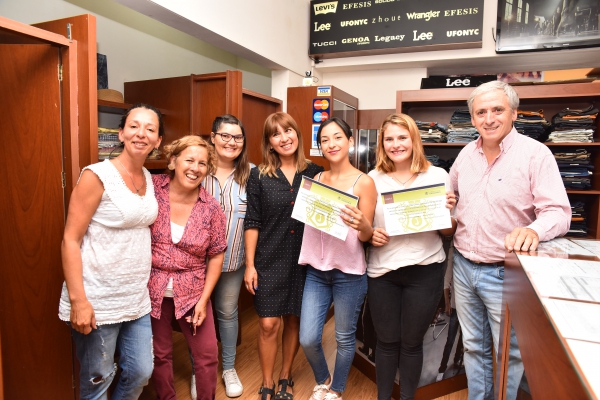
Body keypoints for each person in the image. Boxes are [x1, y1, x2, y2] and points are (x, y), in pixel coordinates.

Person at [449, 80, 571, 400]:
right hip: (462, 266)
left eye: (497, 110)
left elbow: (559, 212)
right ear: (472, 118)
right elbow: (451, 200)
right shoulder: (464, 155)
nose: (488, 119)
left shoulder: (536, 155)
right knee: (473, 346)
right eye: (480, 112)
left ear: (514, 113)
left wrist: (533, 230)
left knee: (510, 352)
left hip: (504, 272)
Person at [58, 103, 164, 399]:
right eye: (133, 126)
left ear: (158, 141)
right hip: (97, 298)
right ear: (121, 133)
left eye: (150, 129)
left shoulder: (149, 178)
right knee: (97, 380)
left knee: (141, 371)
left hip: (135, 297)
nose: (140, 133)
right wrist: (79, 300)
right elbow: (69, 239)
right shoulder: (97, 175)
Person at [367, 113, 457, 400]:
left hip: (425, 268)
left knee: (411, 342)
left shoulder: (437, 176)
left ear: (414, 139)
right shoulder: (372, 179)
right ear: (382, 144)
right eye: (389, 139)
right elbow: (364, 227)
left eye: (402, 137)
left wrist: (445, 212)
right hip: (383, 271)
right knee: (386, 341)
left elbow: (447, 232)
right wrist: (371, 234)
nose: (396, 144)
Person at [244, 112, 324, 400]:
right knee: (268, 323)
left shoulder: (316, 172)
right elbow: (252, 222)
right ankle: (266, 381)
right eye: (276, 134)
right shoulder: (258, 176)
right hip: (269, 259)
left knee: (294, 320)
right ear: (269, 143)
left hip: (305, 260)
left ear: (297, 134)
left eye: (288, 130)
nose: (284, 137)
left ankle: (285, 377)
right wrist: (250, 265)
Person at [298, 118, 377, 400]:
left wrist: (361, 224)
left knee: (344, 339)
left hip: (350, 272)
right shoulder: (316, 179)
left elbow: (367, 235)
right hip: (316, 270)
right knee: (307, 338)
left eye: (337, 137)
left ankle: (336, 389)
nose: (331, 144)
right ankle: (323, 379)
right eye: (325, 140)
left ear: (350, 141)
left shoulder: (364, 182)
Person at [148, 135, 227, 400]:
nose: (195, 168)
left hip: (193, 292)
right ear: (172, 161)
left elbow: (216, 255)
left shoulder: (212, 209)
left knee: (207, 355)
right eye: (189, 160)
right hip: (152, 290)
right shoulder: (150, 190)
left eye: (202, 163)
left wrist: (204, 300)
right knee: (159, 354)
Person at [200, 114, 253, 398]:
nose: (231, 142)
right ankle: (202, 370)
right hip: (195, 265)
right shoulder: (197, 170)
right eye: (225, 135)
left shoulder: (251, 174)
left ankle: (229, 368)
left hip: (233, 262)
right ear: (213, 136)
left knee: (227, 314)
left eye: (237, 137)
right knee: (196, 315)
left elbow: (256, 222)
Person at [435, 243, 464, 382]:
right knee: (450, 340)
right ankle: (442, 368)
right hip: (455, 306)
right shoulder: (453, 253)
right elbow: (446, 282)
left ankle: (457, 359)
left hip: (466, 307)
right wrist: (447, 303)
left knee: (463, 339)